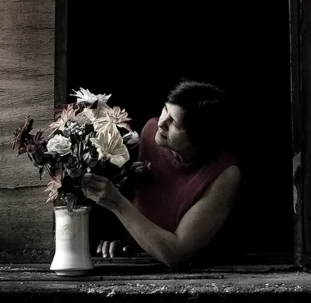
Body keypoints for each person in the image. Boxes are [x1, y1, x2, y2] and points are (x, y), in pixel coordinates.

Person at [82, 79, 240, 269]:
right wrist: (126, 243)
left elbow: (176, 254)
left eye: (174, 123)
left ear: (200, 138)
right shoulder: (149, 133)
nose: (161, 123)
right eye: (165, 109)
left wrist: (116, 203)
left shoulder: (224, 174)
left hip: (203, 274)